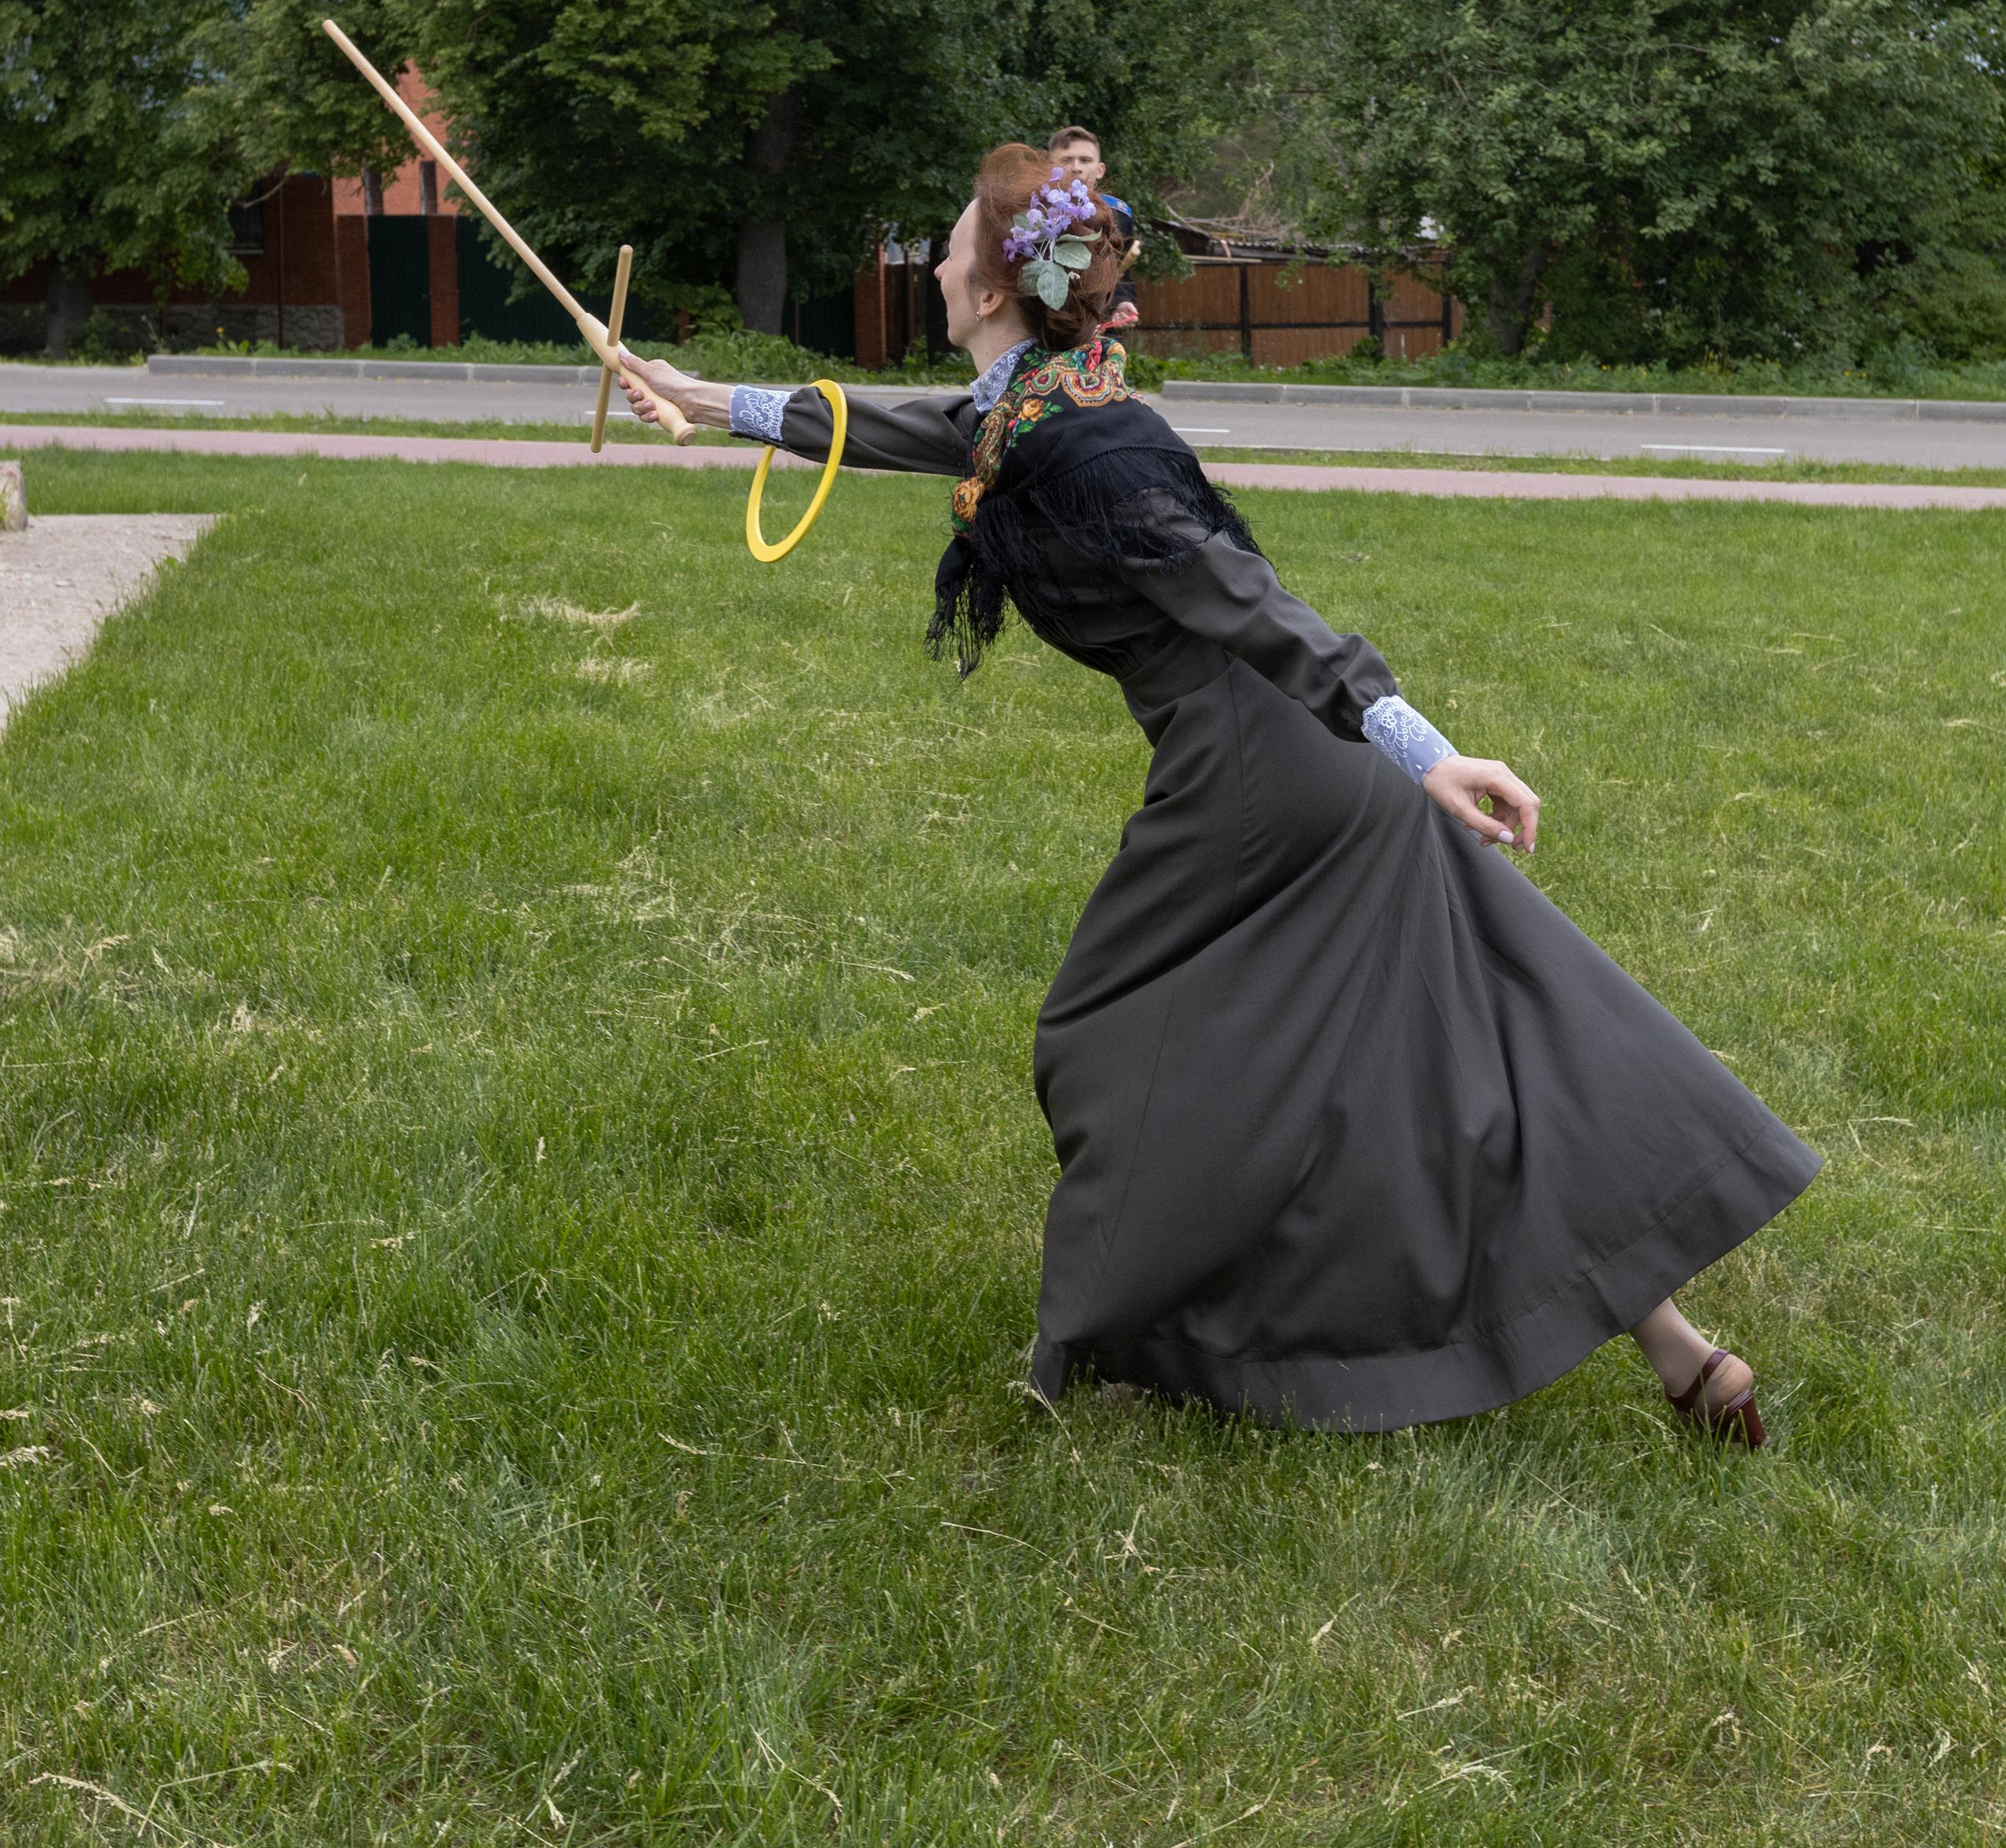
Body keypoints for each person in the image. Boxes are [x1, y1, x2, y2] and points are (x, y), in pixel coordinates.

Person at [619, 147, 1815, 1441]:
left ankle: (1128, 1333)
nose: (939, 265)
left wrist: (1422, 747)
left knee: (1109, 1035)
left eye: (951, 247)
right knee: (1466, 1043)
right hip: (1313, 767)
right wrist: (695, 397)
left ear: (986, 287)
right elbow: (897, 428)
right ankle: (1686, 1357)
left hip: (1266, 772)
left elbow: (1244, 599)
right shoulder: (1035, 406)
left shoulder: (1087, 443)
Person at [1048, 125, 1139, 329]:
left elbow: (1121, 274)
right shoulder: (1033, 213)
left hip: (1098, 329)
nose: (1076, 168)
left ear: (1100, 170)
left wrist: (1121, 303)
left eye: (1085, 160)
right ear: (1050, 167)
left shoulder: (1118, 216)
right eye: (1066, 160)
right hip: (1045, 329)